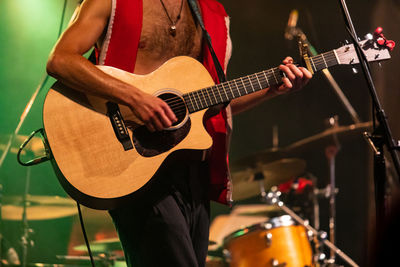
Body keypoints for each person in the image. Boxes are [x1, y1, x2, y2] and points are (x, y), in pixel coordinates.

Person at [46, 0, 312, 266]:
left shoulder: (211, 14)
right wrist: (135, 98)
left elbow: (210, 105)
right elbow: (60, 60)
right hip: (134, 167)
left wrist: (271, 89)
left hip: (193, 172)